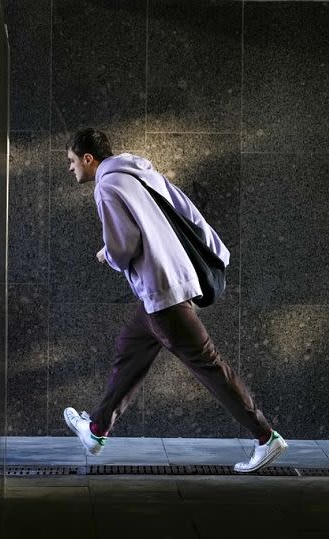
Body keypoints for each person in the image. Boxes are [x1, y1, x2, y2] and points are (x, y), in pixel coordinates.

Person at [62, 128, 287, 473]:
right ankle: (96, 430)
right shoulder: (141, 172)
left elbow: (124, 248)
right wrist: (215, 254)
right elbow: (187, 210)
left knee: (209, 366)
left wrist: (107, 254)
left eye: (72, 161)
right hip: (171, 283)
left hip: (161, 292)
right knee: (130, 350)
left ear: (88, 159)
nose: (71, 168)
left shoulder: (106, 186)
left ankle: (265, 436)